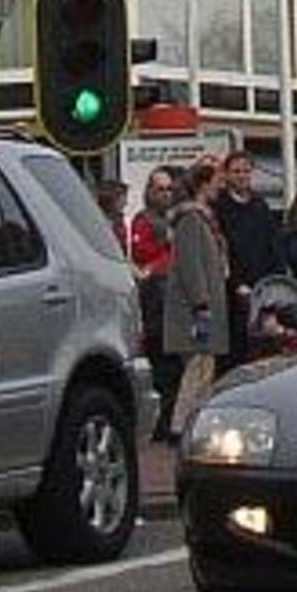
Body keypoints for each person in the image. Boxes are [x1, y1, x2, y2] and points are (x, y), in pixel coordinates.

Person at [164, 158, 231, 439]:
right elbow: (190, 265)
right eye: (217, 180)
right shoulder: (192, 220)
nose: (221, 186)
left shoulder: (202, 218)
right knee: (196, 368)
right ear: (205, 183)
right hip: (197, 310)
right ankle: (181, 426)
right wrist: (201, 303)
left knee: (204, 368)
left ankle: (193, 422)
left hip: (204, 306)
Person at [212, 151, 282, 359]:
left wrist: (274, 281)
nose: (242, 176)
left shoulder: (260, 205)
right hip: (232, 292)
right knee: (236, 351)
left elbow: (273, 246)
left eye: (246, 171)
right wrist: (236, 283)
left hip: (262, 289)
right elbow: (221, 250)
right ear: (226, 174)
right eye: (236, 171)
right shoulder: (220, 207)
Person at [127, 170, 181, 441]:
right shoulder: (143, 220)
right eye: (160, 189)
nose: (165, 194)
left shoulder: (175, 219)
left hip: (174, 302)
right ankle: (160, 424)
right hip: (155, 303)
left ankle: (170, 419)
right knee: (161, 365)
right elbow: (142, 256)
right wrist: (165, 255)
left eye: (169, 189)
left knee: (175, 368)